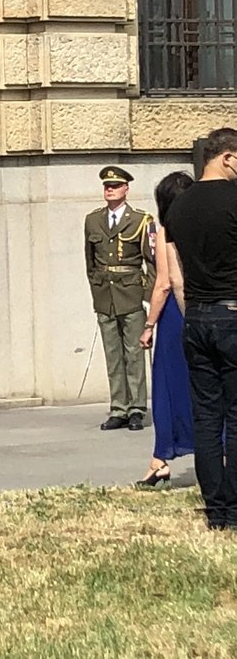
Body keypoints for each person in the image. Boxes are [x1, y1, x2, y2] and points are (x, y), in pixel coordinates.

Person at [164, 128, 237, 530]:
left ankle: (216, 509)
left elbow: (177, 267)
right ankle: (235, 506)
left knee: (207, 417)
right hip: (232, 311)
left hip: (197, 315)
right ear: (226, 157)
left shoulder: (179, 205)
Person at [84, 166, 155, 432]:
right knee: (113, 354)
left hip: (132, 293)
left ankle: (136, 408)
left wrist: (147, 296)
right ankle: (119, 408)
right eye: (106, 186)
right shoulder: (93, 220)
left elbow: (151, 261)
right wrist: (96, 289)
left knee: (134, 353)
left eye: (115, 185)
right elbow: (90, 261)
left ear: (126, 189)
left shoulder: (141, 220)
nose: (110, 189)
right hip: (105, 295)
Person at [137, 171, 195, 488]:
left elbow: (164, 284)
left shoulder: (166, 231)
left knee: (168, 388)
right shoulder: (204, 224)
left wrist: (148, 326)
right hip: (206, 305)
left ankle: (160, 459)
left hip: (175, 314)